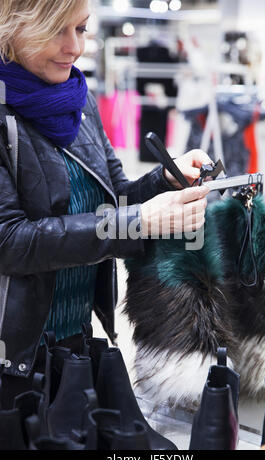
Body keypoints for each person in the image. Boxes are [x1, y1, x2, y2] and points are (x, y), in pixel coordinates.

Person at [0, 0, 211, 408]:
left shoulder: (78, 102)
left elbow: (116, 199)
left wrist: (163, 180)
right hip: (15, 361)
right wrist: (138, 221)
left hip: (76, 345)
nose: (74, 47)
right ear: (11, 29)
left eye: (80, 29)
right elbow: (10, 242)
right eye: (57, 30)